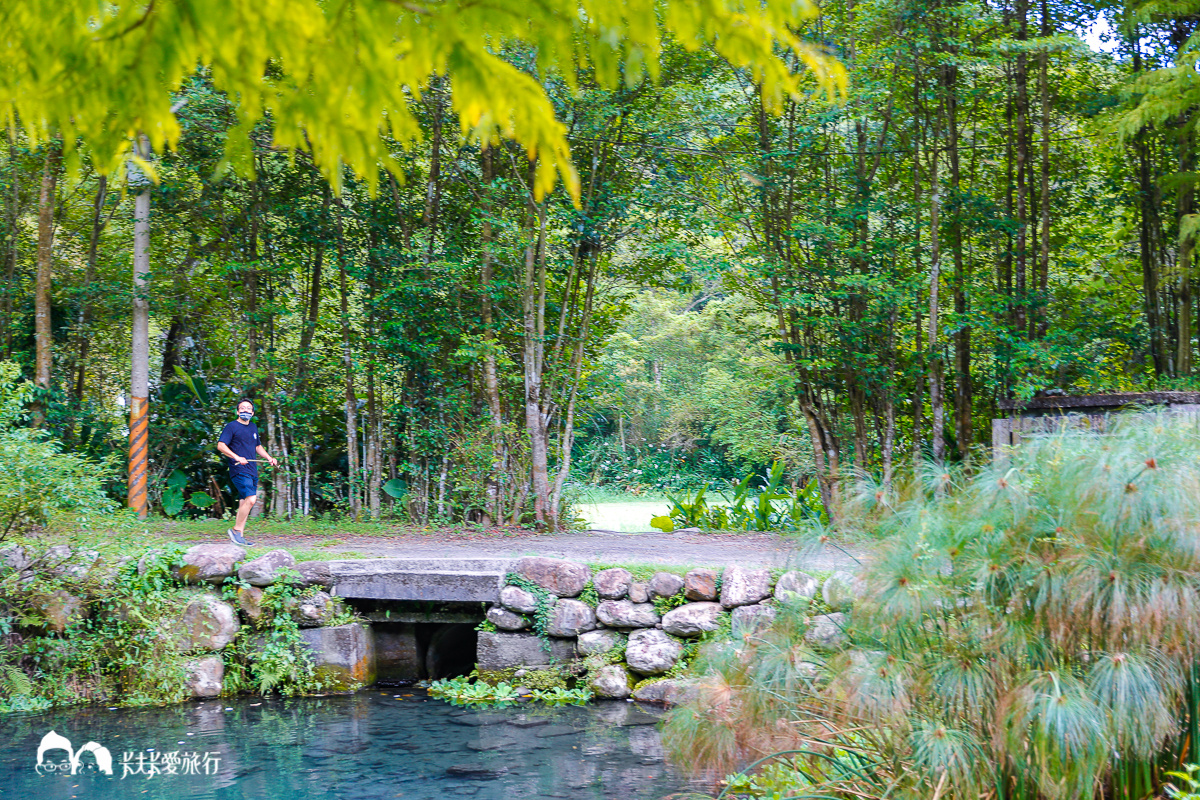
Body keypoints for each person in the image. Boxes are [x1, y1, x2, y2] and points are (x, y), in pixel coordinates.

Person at [216, 399, 277, 546]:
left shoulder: (253, 427)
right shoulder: (232, 426)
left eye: (249, 408)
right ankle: (236, 530)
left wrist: (269, 458)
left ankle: (239, 537)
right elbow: (221, 445)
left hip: (252, 470)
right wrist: (236, 457)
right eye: (242, 408)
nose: (245, 410)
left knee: (244, 501)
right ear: (238, 412)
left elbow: (257, 446)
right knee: (251, 499)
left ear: (252, 413)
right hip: (238, 468)